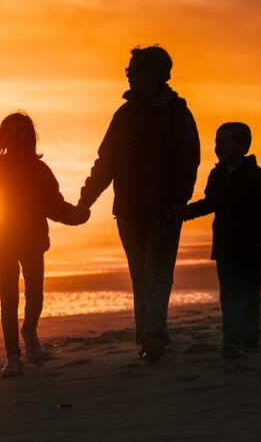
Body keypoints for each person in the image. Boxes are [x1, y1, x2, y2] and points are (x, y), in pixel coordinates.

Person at [76, 45, 200, 363]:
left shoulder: (177, 114)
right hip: (129, 209)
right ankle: (148, 334)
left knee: (157, 272)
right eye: (128, 71)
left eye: (134, 70)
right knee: (140, 274)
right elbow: (106, 163)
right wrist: (85, 200)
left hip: (164, 209)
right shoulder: (124, 115)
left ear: (155, 74)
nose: (129, 76)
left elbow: (189, 161)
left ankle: (154, 334)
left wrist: (178, 199)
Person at [0, 111, 87, 378]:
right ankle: (13, 357)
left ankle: (29, 331)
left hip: (34, 240)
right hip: (3, 243)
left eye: (22, 131)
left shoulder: (39, 169)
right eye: (10, 131)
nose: (16, 135)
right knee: (8, 300)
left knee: (35, 294)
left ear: (30, 136)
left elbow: (53, 204)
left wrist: (76, 215)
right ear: (2, 137)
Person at [184, 122, 261, 358]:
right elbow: (211, 203)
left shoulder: (259, 177)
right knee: (229, 295)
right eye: (216, 143)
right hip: (225, 246)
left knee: (250, 294)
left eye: (223, 142)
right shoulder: (217, 174)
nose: (218, 148)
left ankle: (250, 339)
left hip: (253, 246)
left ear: (242, 145)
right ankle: (231, 342)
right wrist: (184, 213)